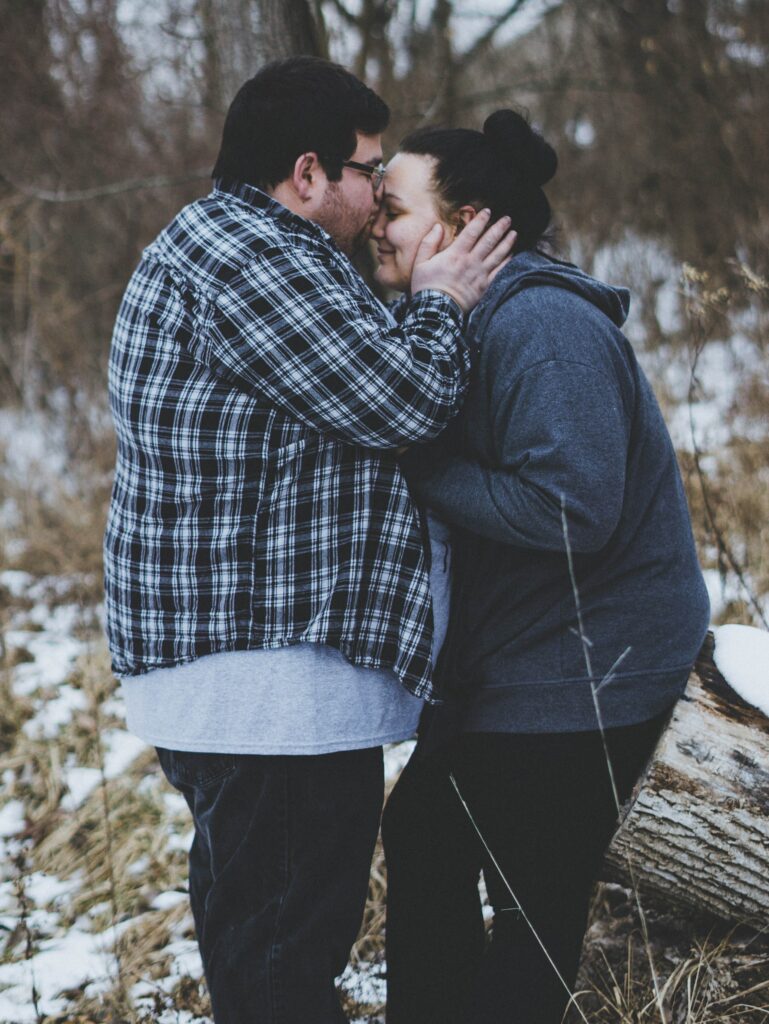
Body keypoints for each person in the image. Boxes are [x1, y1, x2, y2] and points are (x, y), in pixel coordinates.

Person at [103, 57, 514, 1024]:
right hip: (265, 692)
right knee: (283, 955)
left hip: (250, 685)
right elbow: (397, 398)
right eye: (368, 171)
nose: (377, 198)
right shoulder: (253, 255)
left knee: (259, 940)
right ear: (306, 174)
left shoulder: (227, 245)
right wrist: (445, 299)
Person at [373, 110, 711, 1024]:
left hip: (590, 674)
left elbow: (573, 508)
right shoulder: (461, 324)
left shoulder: (543, 328)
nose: (373, 223)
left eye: (391, 207)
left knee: (531, 908)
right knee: (427, 837)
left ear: (468, 224)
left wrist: (422, 468)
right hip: (521, 667)